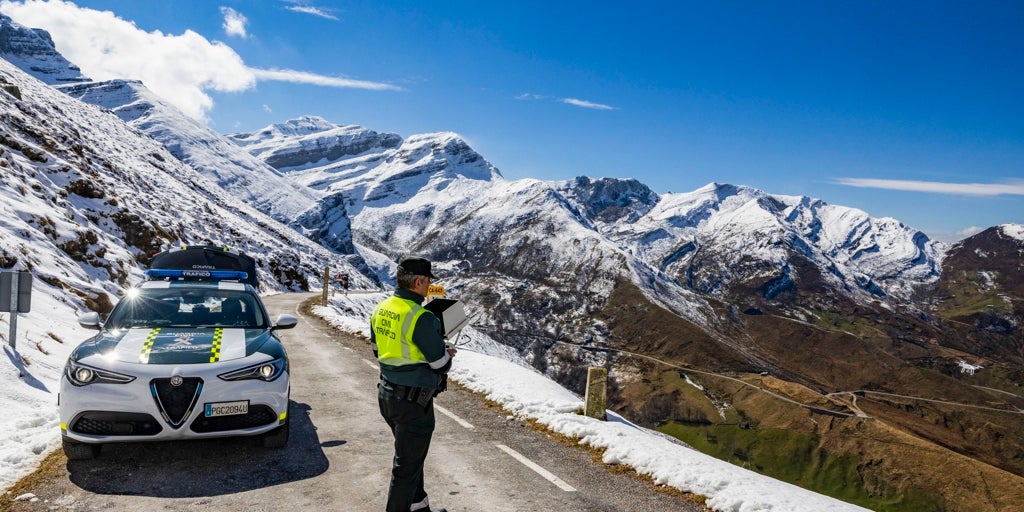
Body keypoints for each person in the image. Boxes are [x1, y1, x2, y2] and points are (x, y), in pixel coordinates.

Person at [370, 255, 456, 512]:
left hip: (387, 395)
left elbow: (378, 350)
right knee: (406, 468)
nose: (430, 286)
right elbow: (441, 365)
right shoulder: (421, 317)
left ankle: (420, 508)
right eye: (429, 281)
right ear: (418, 282)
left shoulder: (381, 309)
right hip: (413, 403)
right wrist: (446, 352)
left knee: (411, 458)